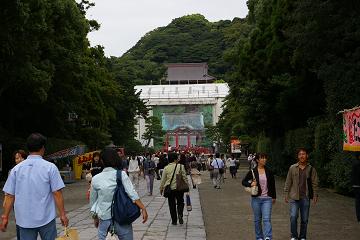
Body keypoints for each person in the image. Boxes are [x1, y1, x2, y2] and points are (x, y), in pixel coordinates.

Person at [0, 133, 69, 239]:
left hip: (24, 220)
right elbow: (57, 192)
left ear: (28, 149)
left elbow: (9, 195)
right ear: (42, 148)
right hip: (46, 218)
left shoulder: (16, 170)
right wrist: (63, 214)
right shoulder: (50, 168)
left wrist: (5, 217)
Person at [90, 148, 148, 240]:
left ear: (102, 161)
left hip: (104, 221)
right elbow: (132, 194)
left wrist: (95, 218)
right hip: (122, 218)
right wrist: (143, 208)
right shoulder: (122, 174)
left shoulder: (95, 179)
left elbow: (93, 202)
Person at [284, 148, 319, 240]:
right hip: (294, 197)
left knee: (304, 219)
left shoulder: (311, 169)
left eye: (303, 154)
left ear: (307, 156)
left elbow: (315, 183)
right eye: (300, 154)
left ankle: (302, 236)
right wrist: (286, 193)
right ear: (298, 156)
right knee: (293, 217)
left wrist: (315, 195)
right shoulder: (292, 168)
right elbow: (288, 181)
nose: (302, 156)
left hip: (305, 197)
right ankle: (294, 236)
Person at [242, 153, 276, 240]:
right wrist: (250, 183)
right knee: (257, 220)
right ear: (257, 160)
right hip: (256, 199)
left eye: (265, 158)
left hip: (267, 199)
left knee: (266, 219)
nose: (264, 160)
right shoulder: (253, 171)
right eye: (262, 158)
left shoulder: (269, 171)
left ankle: (268, 237)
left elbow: (272, 185)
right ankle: (259, 237)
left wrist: (274, 197)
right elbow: (243, 182)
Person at [160, 152, 189, 225]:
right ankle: (180, 214)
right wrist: (187, 185)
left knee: (171, 204)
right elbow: (184, 177)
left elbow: (163, 179)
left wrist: (161, 188)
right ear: (175, 159)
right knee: (180, 202)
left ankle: (174, 220)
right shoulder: (181, 166)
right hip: (179, 188)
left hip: (170, 189)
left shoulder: (166, 168)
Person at [351, 154, 360, 222]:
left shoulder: (354, 163)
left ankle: (358, 216)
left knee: (357, 200)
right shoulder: (358, 163)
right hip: (359, 185)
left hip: (355, 185)